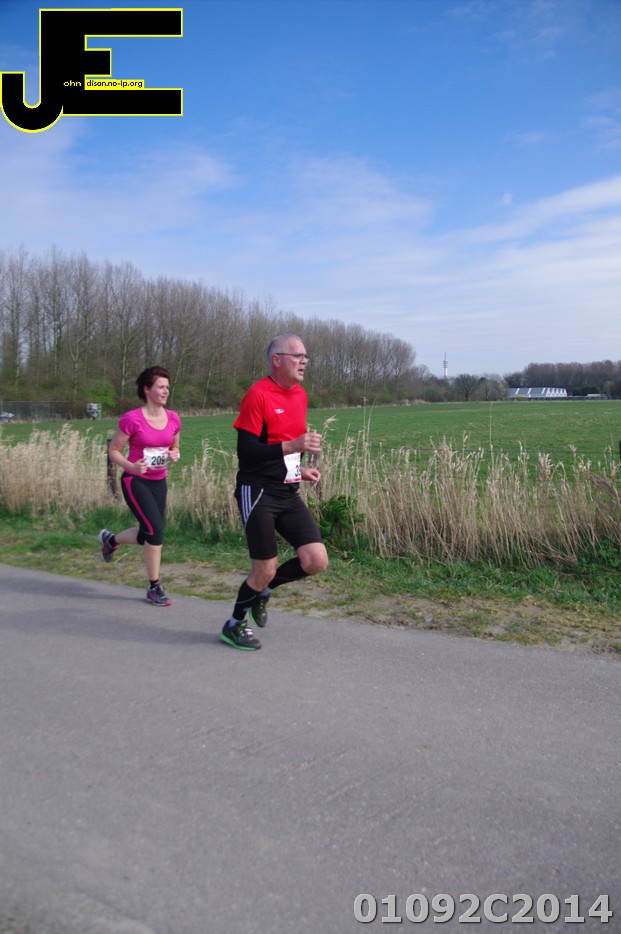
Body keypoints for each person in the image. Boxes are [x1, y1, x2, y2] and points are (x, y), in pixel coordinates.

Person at [221, 334, 329, 650]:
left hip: (287, 490)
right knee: (264, 568)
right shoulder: (258, 395)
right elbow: (247, 453)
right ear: (276, 360)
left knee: (315, 559)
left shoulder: (300, 395)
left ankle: (263, 591)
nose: (304, 361)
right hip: (257, 490)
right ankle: (234, 624)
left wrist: (301, 470)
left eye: (306, 356)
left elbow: (285, 448)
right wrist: (293, 445)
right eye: (297, 356)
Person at [99, 366, 181, 607]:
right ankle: (154, 587)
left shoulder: (173, 418)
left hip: (159, 481)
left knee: (148, 533)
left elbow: (174, 446)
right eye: (160, 387)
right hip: (135, 481)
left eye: (167, 387)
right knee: (156, 533)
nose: (165, 391)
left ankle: (111, 541)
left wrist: (175, 453)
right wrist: (131, 466)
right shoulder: (132, 419)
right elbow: (113, 450)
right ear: (147, 389)